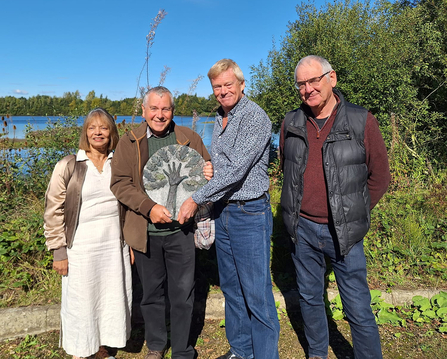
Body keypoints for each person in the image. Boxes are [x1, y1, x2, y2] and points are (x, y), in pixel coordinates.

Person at [280, 55, 391, 359]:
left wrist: (353, 213)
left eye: (314, 80)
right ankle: (317, 353)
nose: (308, 89)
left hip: (345, 233)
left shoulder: (360, 120)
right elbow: (286, 169)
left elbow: (380, 177)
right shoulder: (291, 122)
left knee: (356, 305)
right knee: (310, 299)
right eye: (301, 84)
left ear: (332, 78)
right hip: (303, 230)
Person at [178, 59, 280, 359]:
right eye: (217, 87)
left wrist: (196, 198)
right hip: (223, 212)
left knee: (257, 294)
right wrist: (210, 167)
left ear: (242, 84)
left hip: (249, 214)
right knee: (232, 289)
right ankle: (241, 351)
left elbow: (237, 171)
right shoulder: (221, 117)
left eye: (228, 85)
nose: (222, 92)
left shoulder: (255, 117)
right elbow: (225, 166)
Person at [110, 86, 212, 359]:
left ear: (172, 111)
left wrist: (210, 172)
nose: (159, 114)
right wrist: (148, 207)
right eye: (153, 108)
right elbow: (119, 183)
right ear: (144, 111)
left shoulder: (189, 139)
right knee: (151, 294)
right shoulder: (129, 142)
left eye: (165, 108)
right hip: (146, 232)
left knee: (182, 294)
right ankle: (156, 345)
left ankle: (181, 349)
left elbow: (206, 176)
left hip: (181, 232)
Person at [44, 108, 132, 359]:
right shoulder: (69, 165)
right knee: (82, 301)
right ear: (85, 132)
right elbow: (53, 210)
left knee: (110, 297)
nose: (98, 132)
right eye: (92, 127)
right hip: (81, 247)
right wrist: (59, 250)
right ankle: (81, 351)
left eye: (103, 127)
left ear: (111, 132)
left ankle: (103, 348)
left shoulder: (120, 163)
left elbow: (131, 206)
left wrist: (132, 244)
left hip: (114, 245)